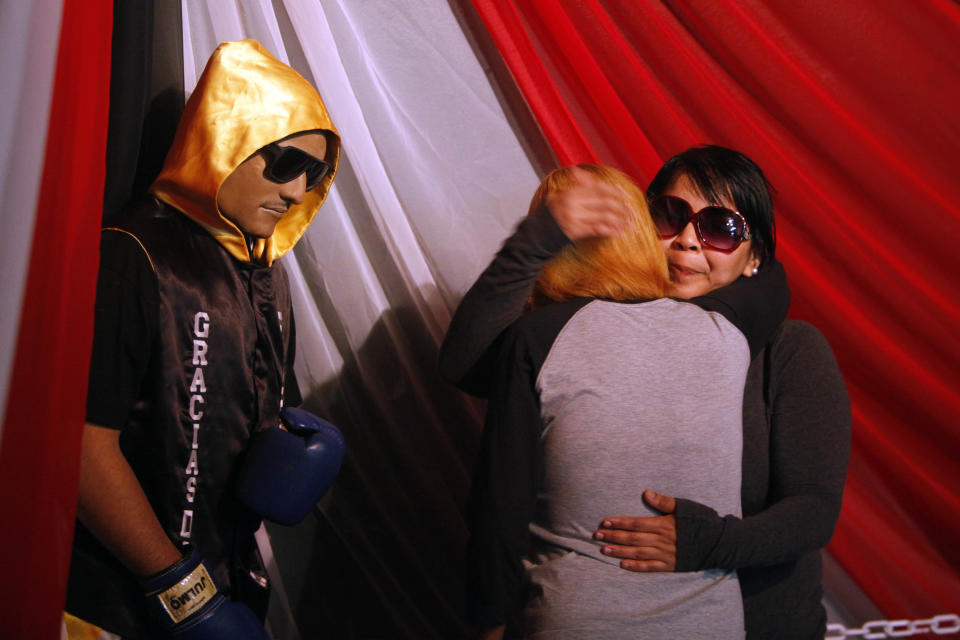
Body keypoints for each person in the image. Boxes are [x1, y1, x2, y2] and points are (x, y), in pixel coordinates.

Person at [441, 146, 850, 639]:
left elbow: (813, 511)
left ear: (754, 259)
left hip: (761, 623)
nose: (687, 241)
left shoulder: (791, 351)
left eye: (720, 229)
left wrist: (710, 542)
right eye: (670, 215)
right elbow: (469, 366)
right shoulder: (589, 334)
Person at [65, 40, 341, 639]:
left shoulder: (264, 276)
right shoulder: (132, 255)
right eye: (283, 162)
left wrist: (284, 445)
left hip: (223, 587)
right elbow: (79, 450)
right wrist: (186, 596)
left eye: (314, 174)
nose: (296, 192)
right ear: (226, 136)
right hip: (114, 607)